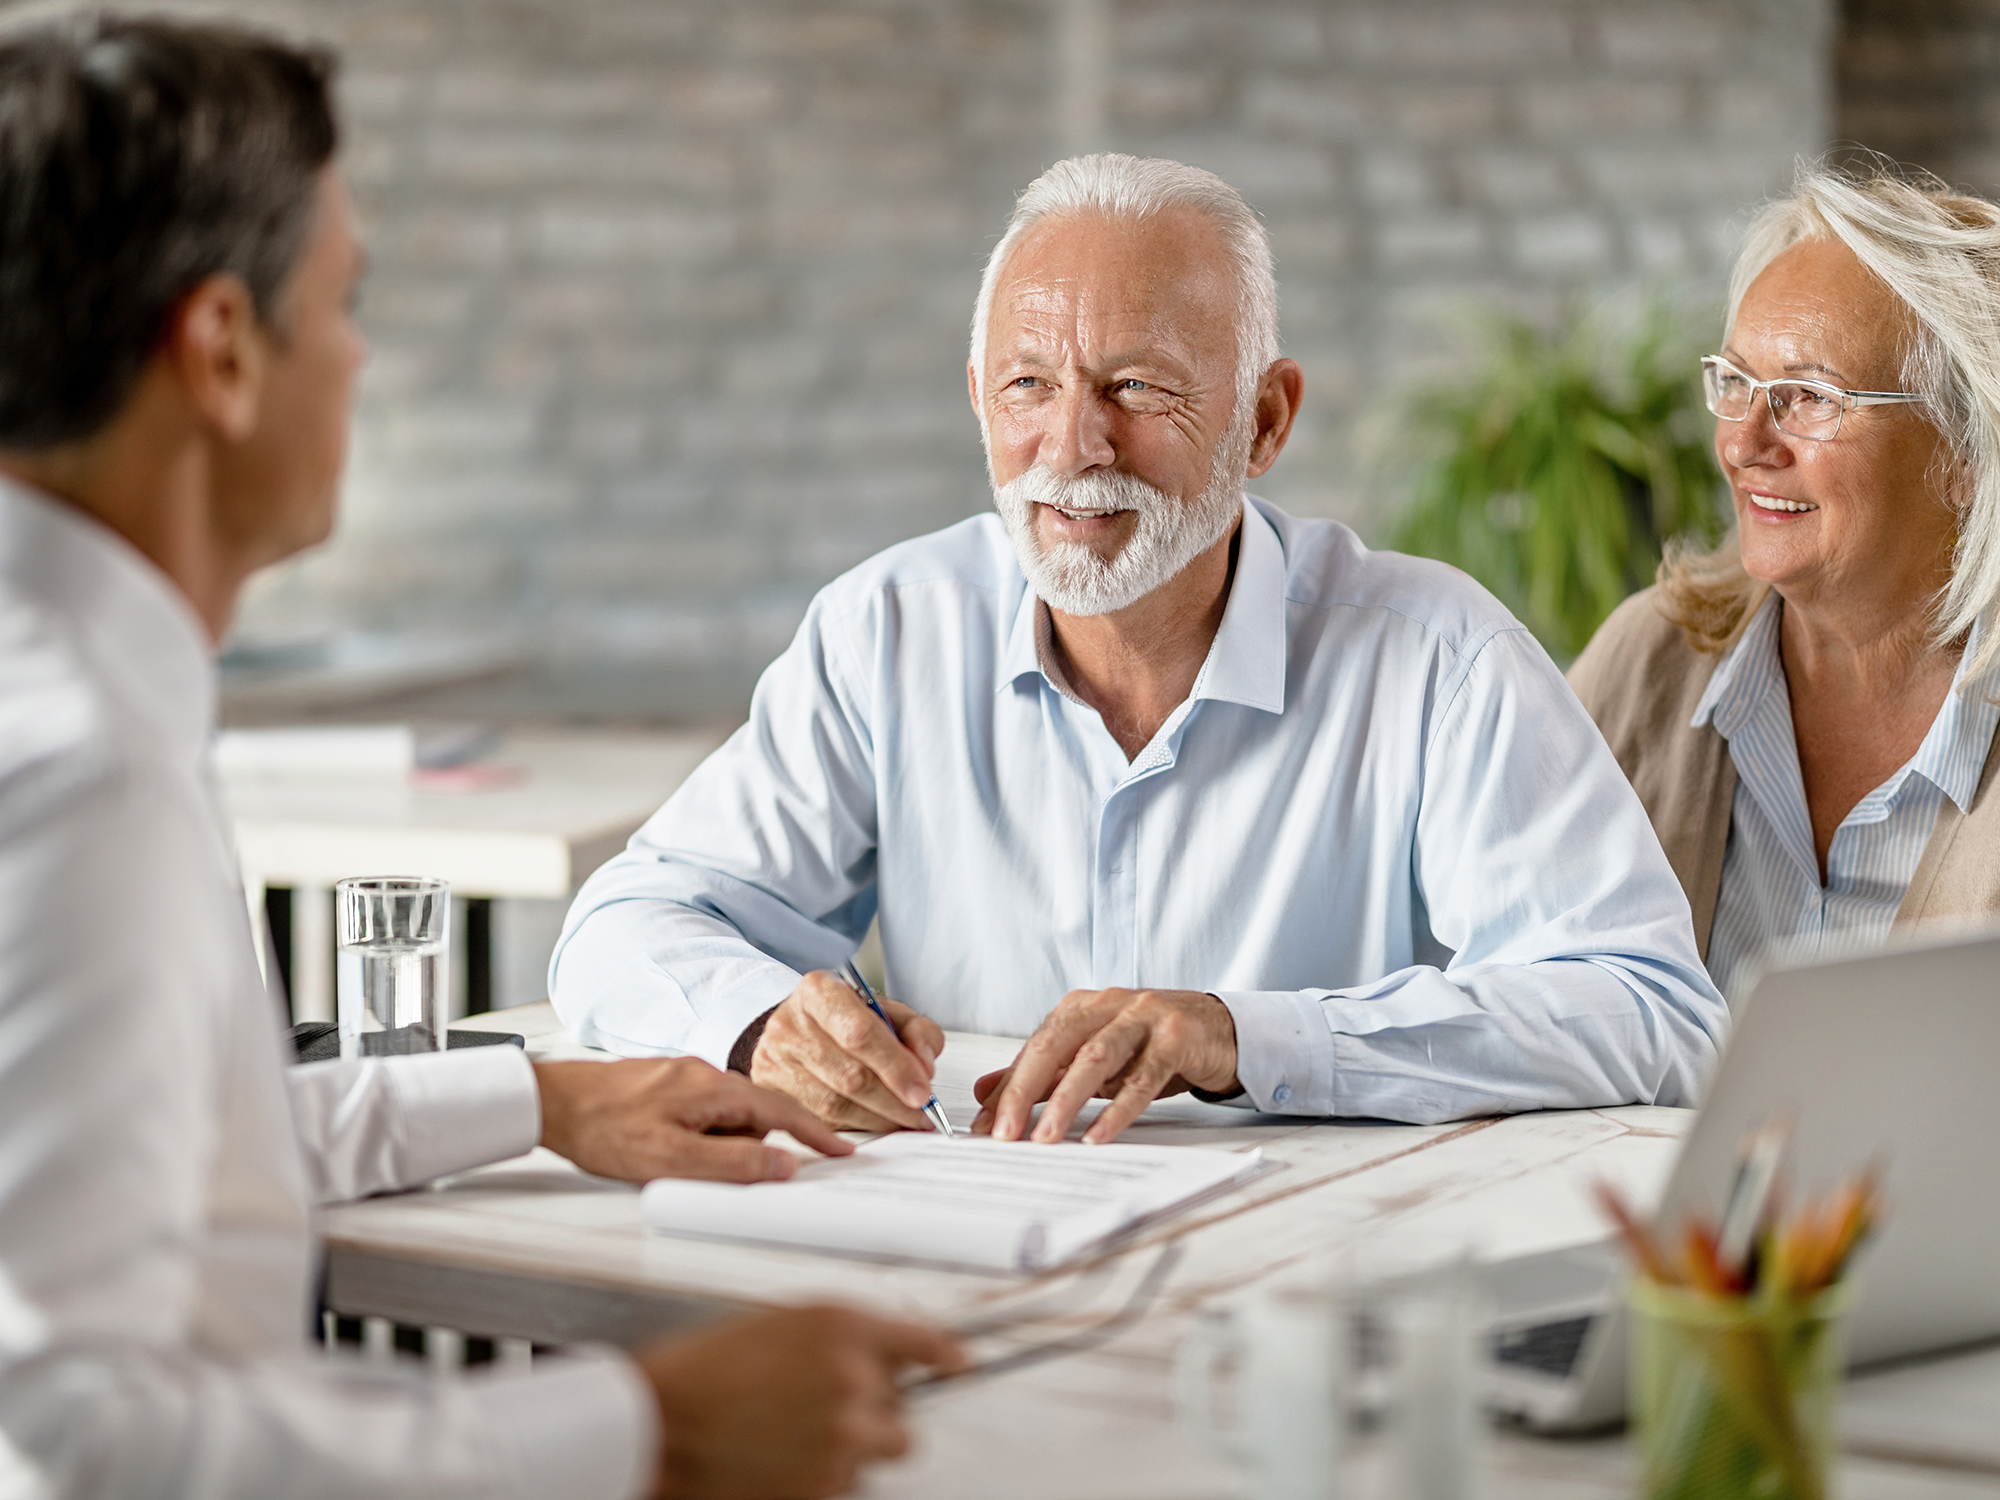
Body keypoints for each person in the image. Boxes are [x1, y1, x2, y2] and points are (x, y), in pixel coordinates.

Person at [0, 15, 956, 1499]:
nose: (365, 354)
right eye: (346, 302)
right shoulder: (76, 775)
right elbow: (73, 1436)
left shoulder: (72, 698)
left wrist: (545, 1100)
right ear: (224, 352)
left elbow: (158, 1163)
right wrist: (652, 1433)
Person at [552, 153, 1728, 1145]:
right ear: (976, 397)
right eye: (1028, 384)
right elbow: (621, 927)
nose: (1072, 444)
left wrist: (1243, 1034)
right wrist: (764, 1024)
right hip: (960, 1275)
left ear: (1263, 420)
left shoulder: (1436, 658)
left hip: (1308, 1290)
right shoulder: (888, 631)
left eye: (1136, 386)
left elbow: (1648, 1010)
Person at [1570, 164, 2000, 1003]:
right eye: (1736, 385)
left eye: (1809, 397)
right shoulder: (1651, 658)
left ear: (1962, 454)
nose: (1743, 444)